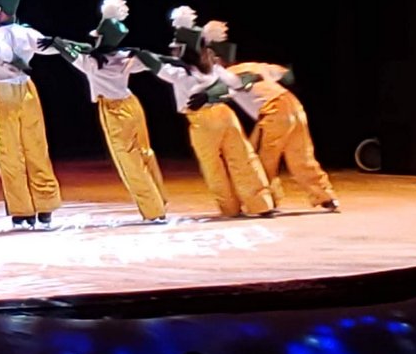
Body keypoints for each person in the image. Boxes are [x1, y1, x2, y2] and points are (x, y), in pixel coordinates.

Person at [50, 0, 168, 223]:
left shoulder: (93, 63)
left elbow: (72, 55)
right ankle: (159, 199)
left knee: (129, 162)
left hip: (115, 112)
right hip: (132, 105)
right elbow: (154, 62)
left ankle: (153, 210)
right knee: (145, 153)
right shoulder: (124, 57)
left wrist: (57, 43)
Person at [205, 20, 340, 212]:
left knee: (259, 160)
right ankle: (326, 196)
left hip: (273, 111)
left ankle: (265, 201)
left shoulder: (227, 76)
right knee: (301, 156)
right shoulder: (255, 66)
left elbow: (216, 92)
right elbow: (286, 75)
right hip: (294, 106)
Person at [136, 35, 275, 218]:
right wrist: (217, 92)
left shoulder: (180, 73)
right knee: (244, 158)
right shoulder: (214, 67)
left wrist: (135, 52)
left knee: (213, 167)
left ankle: (230, 207)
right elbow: (238, 84)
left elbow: (152, 63)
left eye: (176, 49)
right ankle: (261, 203)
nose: (173, 52)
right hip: (225, 116)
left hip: (202, 122)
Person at [0, 0, 63, 229]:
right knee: (36, 147)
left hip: (3, 94)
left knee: (9, 153)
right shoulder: (27, 33)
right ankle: (45, 205)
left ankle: (22, 210)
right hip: (27, 91)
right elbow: (49, 47)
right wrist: (67, 46)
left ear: (1, 11)